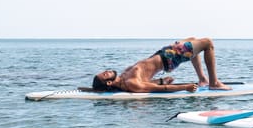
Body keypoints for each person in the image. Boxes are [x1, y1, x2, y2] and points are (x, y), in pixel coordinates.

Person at [92, 37, 231, 93]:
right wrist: (185, 87)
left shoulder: (124, 77)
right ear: (109, 83)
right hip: (170, 58)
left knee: (194, 40)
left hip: (164, 53)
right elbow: (160, 89)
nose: (107, 70)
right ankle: (214, 83)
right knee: (207, 43)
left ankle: (203, 79)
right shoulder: (131, 83)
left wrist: (160, 80)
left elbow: (146, 81)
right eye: (105, 74)